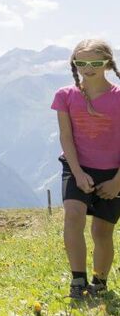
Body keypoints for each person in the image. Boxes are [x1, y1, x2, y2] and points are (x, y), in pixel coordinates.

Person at [52, 38, 120, 299]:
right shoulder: (65, 95)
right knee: (73, 215)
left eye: (95, 62)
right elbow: (65, 137)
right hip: (75, 166)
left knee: (102, 231)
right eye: (81, 62)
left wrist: (117, 181)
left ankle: (99, 283)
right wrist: (78, 172)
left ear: (107, 63)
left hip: (112, 172)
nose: (88, 68)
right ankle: (78, 282)